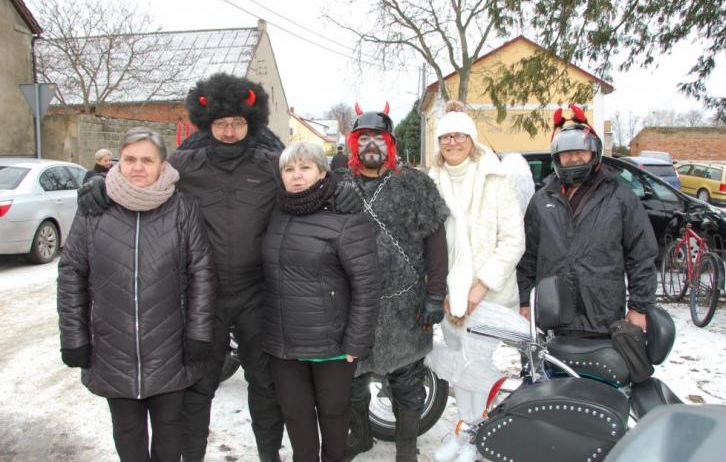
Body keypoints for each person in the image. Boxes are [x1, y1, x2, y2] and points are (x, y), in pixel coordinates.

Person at [77, 73, 360, 462]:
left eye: (238, 123)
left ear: (250, 122)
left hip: (257, 293)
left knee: (265, 385)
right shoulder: (184, 164)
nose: (229, 131)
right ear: (207, 123)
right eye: (221, 123)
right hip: (203, 295)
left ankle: (269, 455)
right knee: (198, 386)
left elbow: (308, 179)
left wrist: (341, 190)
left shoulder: (269, 164)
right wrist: (99, 186)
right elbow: (142, 179)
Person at [57, 127, 216, 462]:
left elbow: (201, 272)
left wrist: (199, 333)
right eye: (130, 159)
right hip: (112, 348)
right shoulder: (94, 209)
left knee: (170, 436)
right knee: (128, 436)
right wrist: (73, 337)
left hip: (170, 349)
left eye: (147, 160)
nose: (138, 167)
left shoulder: (182, 208)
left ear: (162, 164)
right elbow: (71, 273)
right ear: (119, 162)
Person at [334, 103, 450, 462]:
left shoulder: (416, 184)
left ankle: (406, 449)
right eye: (363, 138)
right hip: (354, 304)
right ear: (353, 144)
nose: (371, 144)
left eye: (378, 138)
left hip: (405, 303)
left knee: (408, 381)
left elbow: (436, 242)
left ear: (390, 144)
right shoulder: (339, 185)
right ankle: (361, 437)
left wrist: (435, 294)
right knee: (352, 380)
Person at [262, 141, 382, 462]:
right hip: (284, 344)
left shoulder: (346, 217)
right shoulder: (275, 213)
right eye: (289, 169)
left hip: (333, 346)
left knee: (333, 418)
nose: (296, 175)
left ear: (322, 172)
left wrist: (356, 341)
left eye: (305, 167)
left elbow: (367, 285)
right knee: (297, 420)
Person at [424, 101, 526, 462]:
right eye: (446, 136)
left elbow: (513, 242)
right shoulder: (430, 183)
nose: (452, 142)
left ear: (471, 139)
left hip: (488, 296)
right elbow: (424, 241)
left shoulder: (497, 178)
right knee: (459, 368)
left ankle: (476, 435)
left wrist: (478, 289)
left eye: (459, 135)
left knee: (479, 369)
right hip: (449, 295)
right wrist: (441, 291)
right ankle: (466, 431)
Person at [516, 104, 658, 336]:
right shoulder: (542, 201)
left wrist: (639, 306)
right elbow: (527, 258)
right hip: (552, 317)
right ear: (557, 157)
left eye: (580, 152)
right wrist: (525, 301)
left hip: (602, 316)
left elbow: (641, 254)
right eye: (567, 153)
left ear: (594, 153)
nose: (574, 158)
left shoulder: (619, 196)